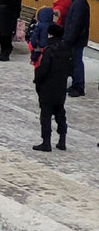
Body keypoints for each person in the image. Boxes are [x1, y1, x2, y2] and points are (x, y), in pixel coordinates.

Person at [33, 23, 74, 152]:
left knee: (46, 114)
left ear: (51, 34)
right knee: (60, 112)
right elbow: (72, 68)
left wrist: (37, 79)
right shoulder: (68, 49)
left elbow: (44, 69)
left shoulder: (50, 50)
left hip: (48, 86)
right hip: (61, 86)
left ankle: (46, 142)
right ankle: (62, 140)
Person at [63, 0, 91, 97]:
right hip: (77, 39)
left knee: (76, 62)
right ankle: (76, 84)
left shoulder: (78, 4)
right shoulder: (79, 2)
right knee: (74, 61)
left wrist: (68, 39)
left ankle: (78, 86)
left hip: (76, 40)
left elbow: (75, 25)